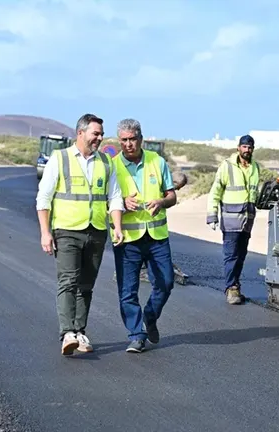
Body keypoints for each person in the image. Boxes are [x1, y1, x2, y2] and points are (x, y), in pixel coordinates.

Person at [36, 113, 124, 356]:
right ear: (81, 133)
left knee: (86, 284)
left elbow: (114, 197)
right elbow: (43, 198)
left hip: (96, 231)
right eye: (96, 133)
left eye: (101, 134)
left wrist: (117, 226)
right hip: (66, 231)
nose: (100, 138)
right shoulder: (60, 158)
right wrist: (45, 233)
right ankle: (67, 333)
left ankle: (80, 331)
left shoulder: (106, 162)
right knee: (68, 281)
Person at [110, 118, 178, 353]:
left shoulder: (157, 162)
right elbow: (104, 201)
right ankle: (137, 335)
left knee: (166, 282)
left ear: (141, 139)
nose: (128, 144)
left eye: (132, 139)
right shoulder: (112, 166)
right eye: (124, 140)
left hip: (157, 236)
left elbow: (172, 196)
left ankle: (150, 315)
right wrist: (121, 202)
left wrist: (161, 201)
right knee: (128, 291)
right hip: (127, 240)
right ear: (119, 141)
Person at [206, 134, 260, 305]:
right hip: (230, 220)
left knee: (241, 255)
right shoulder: (227, 166)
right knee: (231, 256)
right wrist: (212, 215)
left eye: (250, 147)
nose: (247, 150)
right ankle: (230, 288)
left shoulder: (255, 167)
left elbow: (254, 194)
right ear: (238, 147)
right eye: (244, 147)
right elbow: (215, 191)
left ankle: (235, 285)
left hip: (247, 220)